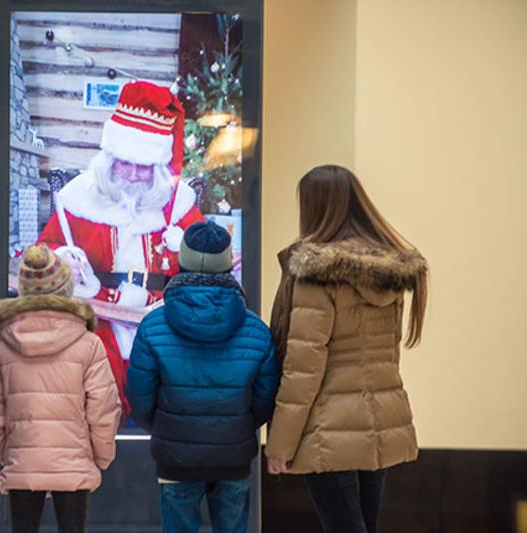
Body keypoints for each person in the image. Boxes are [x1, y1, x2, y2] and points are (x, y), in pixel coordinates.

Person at [265, 165, 428, 533]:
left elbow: (303, 368)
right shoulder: (388, 272)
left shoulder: (316, 273)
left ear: (314, 207)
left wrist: (280, 444)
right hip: (381, 423)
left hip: (329, 426)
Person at [36, 81, 206, 417]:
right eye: (122, 162)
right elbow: (44, 250)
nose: (129, 173)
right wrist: (64, 259)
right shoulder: (78, 199)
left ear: (156, 166)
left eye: (140, 165)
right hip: (99, 323)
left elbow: (204, 261)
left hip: (162, 324)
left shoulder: (177, 205)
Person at [126, 220, 280, 533]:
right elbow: (266, 398)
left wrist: (166, 426)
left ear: (182, 260)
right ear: (228, 265)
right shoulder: (255, 330)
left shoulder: (154, 326)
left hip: (175, 456)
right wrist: (239, 424)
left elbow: (139, 395)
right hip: (234, 454)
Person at [0, 244, 121, 533]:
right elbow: (104, 409)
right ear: (66, 289)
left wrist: (11, 454)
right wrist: (100, 456)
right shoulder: (88, 343)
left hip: (22, 463)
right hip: (74, 464)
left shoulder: (0, 344)